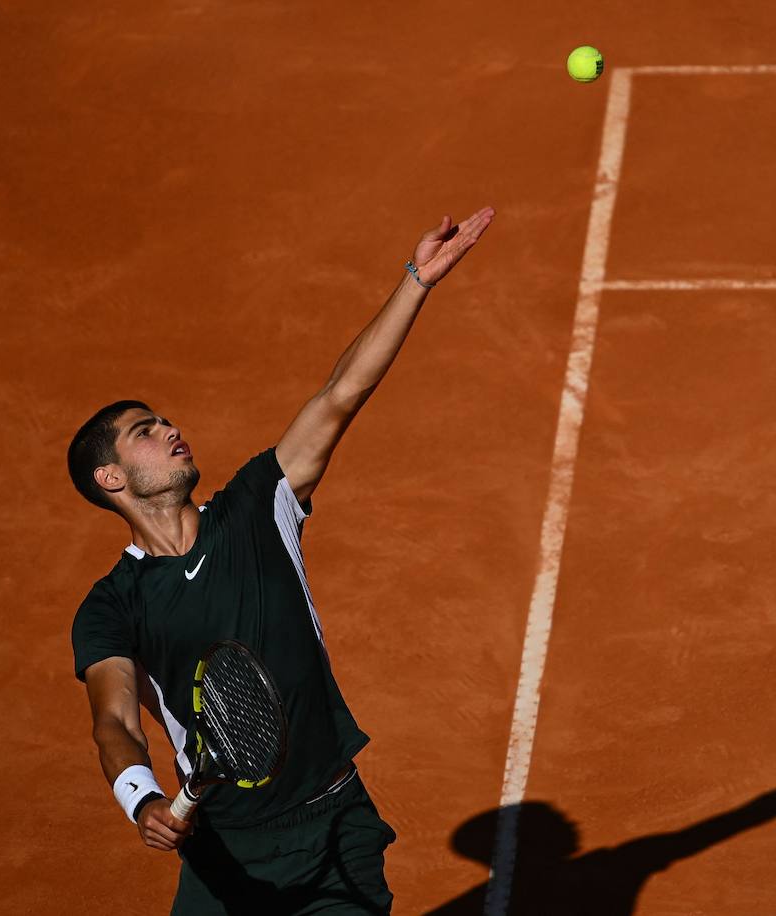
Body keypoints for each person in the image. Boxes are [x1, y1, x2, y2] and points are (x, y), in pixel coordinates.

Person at [67, 207, 495, 915]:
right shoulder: (112, 605)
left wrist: (416, 280)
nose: (171, 430)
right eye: (146, 432)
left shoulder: (257, 508)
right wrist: (141, 798)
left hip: (332, 831)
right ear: (110, 480)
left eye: (165, 421)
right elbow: (114, 721)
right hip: (224, 853)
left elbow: (340, 395)